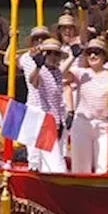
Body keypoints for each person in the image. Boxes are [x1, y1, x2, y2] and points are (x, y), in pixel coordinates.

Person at [65, 38, 108, 174]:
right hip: (83, 123)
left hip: (103, 125)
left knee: (103, 167)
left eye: (97, 52)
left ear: (104, 56)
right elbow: (61, 73)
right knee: (81, 167)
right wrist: (72, 57)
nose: (93, 56)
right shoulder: (81, 72)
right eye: (89, 52)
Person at [26, 38, 73, 173]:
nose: (52, 56)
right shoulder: (40, 69)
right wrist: (38, 66)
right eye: (49, 53)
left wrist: (62, 120)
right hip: (42, 122)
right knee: (56, 166)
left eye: (56, 54)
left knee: (48, 166)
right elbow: (33, 82)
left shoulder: (57, 72)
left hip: (54, 122)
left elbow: (57, 100)